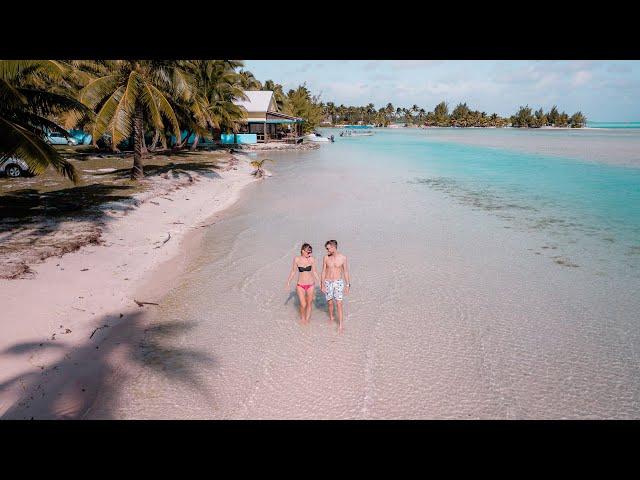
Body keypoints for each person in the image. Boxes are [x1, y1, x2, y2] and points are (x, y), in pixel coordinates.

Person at [285, 243, 321, 323]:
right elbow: (293, 271)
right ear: (302, 251)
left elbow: (314, 271)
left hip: (311, 284)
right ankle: (302, 318)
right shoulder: (297, 259)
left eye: (310, 252)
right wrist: (288, 282)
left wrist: (320, 282)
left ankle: (307, 320)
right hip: (300, 285)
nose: (309, 253)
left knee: (309, 303)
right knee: (303, 304)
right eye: (308, 252)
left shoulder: (312, 259)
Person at [321, 240, 350, 333]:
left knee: (339, 304)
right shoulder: (326, 258)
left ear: (333, 247)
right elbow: (323, 271)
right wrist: (322, 284)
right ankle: (331, 317)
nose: (327, 250)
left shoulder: (343, 258)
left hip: (338, 282)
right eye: (326, 249)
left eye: (328, 248)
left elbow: (345, 271)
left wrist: (348, 284)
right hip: (328, 282)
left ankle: (341, 325)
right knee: (329, 303)